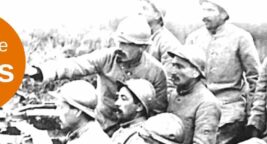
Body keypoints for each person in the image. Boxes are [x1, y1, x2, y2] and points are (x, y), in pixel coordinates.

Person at [25, 15, 167, 135]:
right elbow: (75, 65)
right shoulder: (107, 57)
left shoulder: (156, 71)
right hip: (102, 126)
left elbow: (157, 112)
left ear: (142, 47)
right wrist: (39, 71)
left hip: (134, 135)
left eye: (126, 44)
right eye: (119, 41)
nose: (120, 48)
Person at [186, 0, 260, 144]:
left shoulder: (241, 37)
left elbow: (255, 78)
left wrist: (251, 113)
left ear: (224, 13)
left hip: (227, 110)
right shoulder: (194, 38)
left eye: (210, 10)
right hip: (197, 107)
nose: (204, 15)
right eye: (202, 10)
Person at [167, 45, 221, 144]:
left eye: (180, 67)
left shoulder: (207, 103)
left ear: (195, 72)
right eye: (173, 65)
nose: (173, 71)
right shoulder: (173, 94)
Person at [138, 0, 181, 80]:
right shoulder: (141, 37)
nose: (139, 12)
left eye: (144, 9)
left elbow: (169, 78)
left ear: (157, 15)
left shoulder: (167, 42)